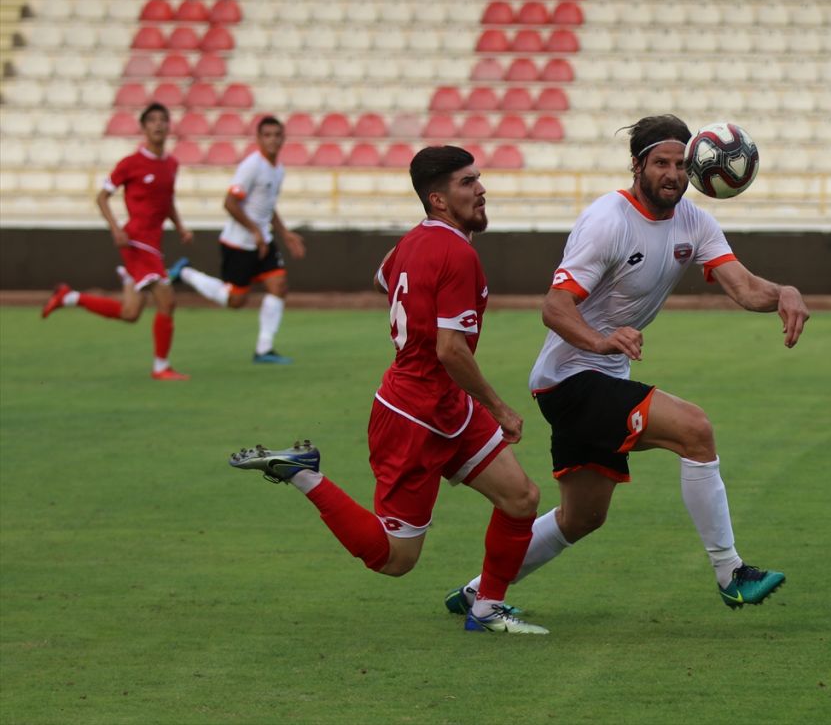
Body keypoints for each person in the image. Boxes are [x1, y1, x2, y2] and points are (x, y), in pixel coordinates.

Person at [445, 114, 811, 617]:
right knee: (695, 429)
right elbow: (554, 307)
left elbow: (745, 288)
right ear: (637, 166)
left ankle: (476, 592)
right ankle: (731, 572)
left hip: (598, 378)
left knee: (582, 518)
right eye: (661, 163)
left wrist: (784, 293)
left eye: (681, 164)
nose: (673, 174)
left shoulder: (695, 222)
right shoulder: (608, 221)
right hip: (569, 380)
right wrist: (601, 342)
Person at [229, 146, 548, 634]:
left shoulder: (416, 239)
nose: (481, 189)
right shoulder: (456, 252)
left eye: (478, 178)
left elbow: (384, 279)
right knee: (396, 559)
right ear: (438, 199)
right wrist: (500, 408)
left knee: (521, 499)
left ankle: (486, 609)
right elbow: (450, 350)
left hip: (447, 405)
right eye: (468, 182)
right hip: (413, 416)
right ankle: (303, 474)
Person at [41, 102, 193, 381]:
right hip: (136, 241)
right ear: (143, 127)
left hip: (153, 243)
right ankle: (161, 367)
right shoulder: (130, 163)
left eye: (163, 120)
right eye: (152, 120)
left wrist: (180, 227)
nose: (159, 125)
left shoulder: (172, 164)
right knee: (167, 300)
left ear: (169, 126)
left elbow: (166, 200)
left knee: (130, 312)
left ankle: (69, 297)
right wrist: (115, 228)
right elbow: (102, 197)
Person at [168, 116, 304, 364]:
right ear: (258, 138)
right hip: (238, 243)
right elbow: (230, 203)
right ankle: (186, 272)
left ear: (283, 138)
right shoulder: (252, 166)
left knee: (279, 286)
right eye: (267, 135)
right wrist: (254, 231)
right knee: (235, 300)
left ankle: (264, 350)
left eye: (277, 135)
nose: (273, 140)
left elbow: (267, 206)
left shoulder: (278, 169)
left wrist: (284, 233)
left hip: (263, 240)